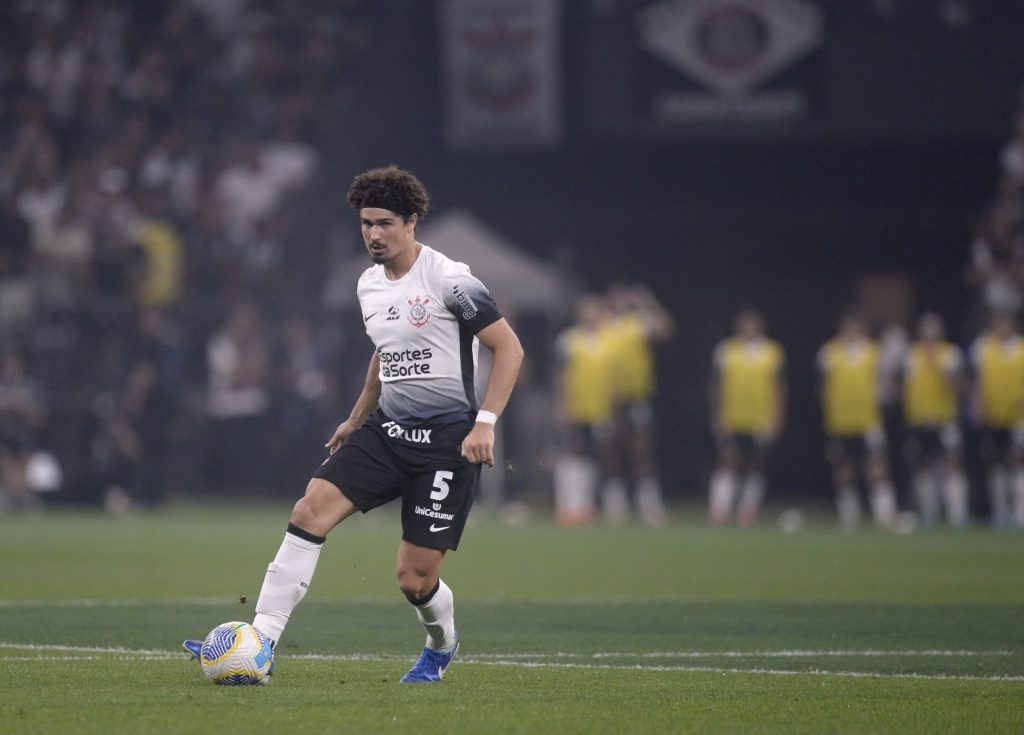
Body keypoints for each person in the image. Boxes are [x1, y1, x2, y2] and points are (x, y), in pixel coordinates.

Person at [184, 166, 524, 682]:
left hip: (448, 442)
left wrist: (486, 423)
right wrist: (355, 418)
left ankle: (442, 643)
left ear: (412, 222)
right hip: (387, 431)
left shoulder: (450, 280)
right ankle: (262, 642)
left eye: (385, 223)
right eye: (366, 223)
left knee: (414, 579)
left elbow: (509, 348)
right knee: (310, 509)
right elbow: (384, 355)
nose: (373, 234)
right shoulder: (367, 284)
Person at [818, 310, 898, 530]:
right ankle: (849, 515)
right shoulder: (830, 352)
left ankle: (884, 514)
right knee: (843, 468)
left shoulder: (874, 352)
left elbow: (885, 385)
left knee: (876, 466)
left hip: (868, 421)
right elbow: (823, 387)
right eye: (847, 327)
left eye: (855, 327)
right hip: (840, 422)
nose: (851, 332)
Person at [707, 309, 786, 526]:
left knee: (756, 463)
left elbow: (779, 387)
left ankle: (747, 508)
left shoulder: (772, 352)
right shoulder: (726, 350)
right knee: (728, 461)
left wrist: (777, 417)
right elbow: (716, 386)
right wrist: (716, 415)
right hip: (732, 418)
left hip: (760, 419)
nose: (748, 329)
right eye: (744, 325)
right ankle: (720, 507)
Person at [603, 284, 674, 527]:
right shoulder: (603, 326)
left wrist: (649, 303)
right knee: (611, 451)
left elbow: (664, 331)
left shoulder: (637, 323)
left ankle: (649, 505)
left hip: (636, 396)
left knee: (642, 450)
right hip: (609, 400)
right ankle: (616, 506)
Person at [552, 294, 616, 526]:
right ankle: (566, 504)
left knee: (591, 458)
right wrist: (564, 406)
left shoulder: (607, 342)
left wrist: (610, 408)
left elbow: (611, 379)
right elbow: (562, 377)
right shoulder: (568, 341)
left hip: (598, 410)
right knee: (572, 456)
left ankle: (584, 504)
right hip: (576, 409)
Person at [900, 313, 969, 527]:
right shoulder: (912, 355)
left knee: (952, 465)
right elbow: (904, 387)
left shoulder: (950, 354)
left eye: (933, 335)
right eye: (925, 335)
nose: (929, 340)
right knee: (923, 468)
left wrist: (939, 368)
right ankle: (929, 511)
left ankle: (957, 513)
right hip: (919, 420)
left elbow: (960, 386)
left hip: (944, 419)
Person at [970, 311, 1024, 527]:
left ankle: (1020, 510)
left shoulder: (1021, 348)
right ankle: (1000, 511)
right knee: (996, 465)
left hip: (1019, 417)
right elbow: (978, 381)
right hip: (993, 417)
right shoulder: (983, 348)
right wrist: (977, 406)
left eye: (1006, 322)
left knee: (1018, 463)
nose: (1002, 327)